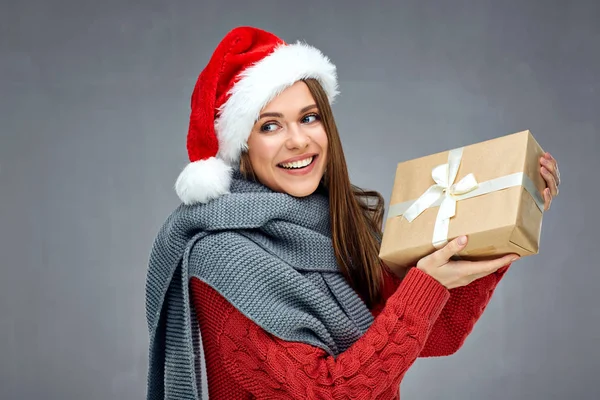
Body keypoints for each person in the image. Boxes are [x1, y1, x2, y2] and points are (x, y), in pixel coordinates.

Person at [145, 26, 561, 400]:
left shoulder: (338, 224)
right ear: (240, 147)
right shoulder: (222, 257)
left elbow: (435, 335)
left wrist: (511, 212)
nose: (297, 140)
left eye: (309, 118)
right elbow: (327, 392)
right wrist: (425, 287)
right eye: (270, 126)